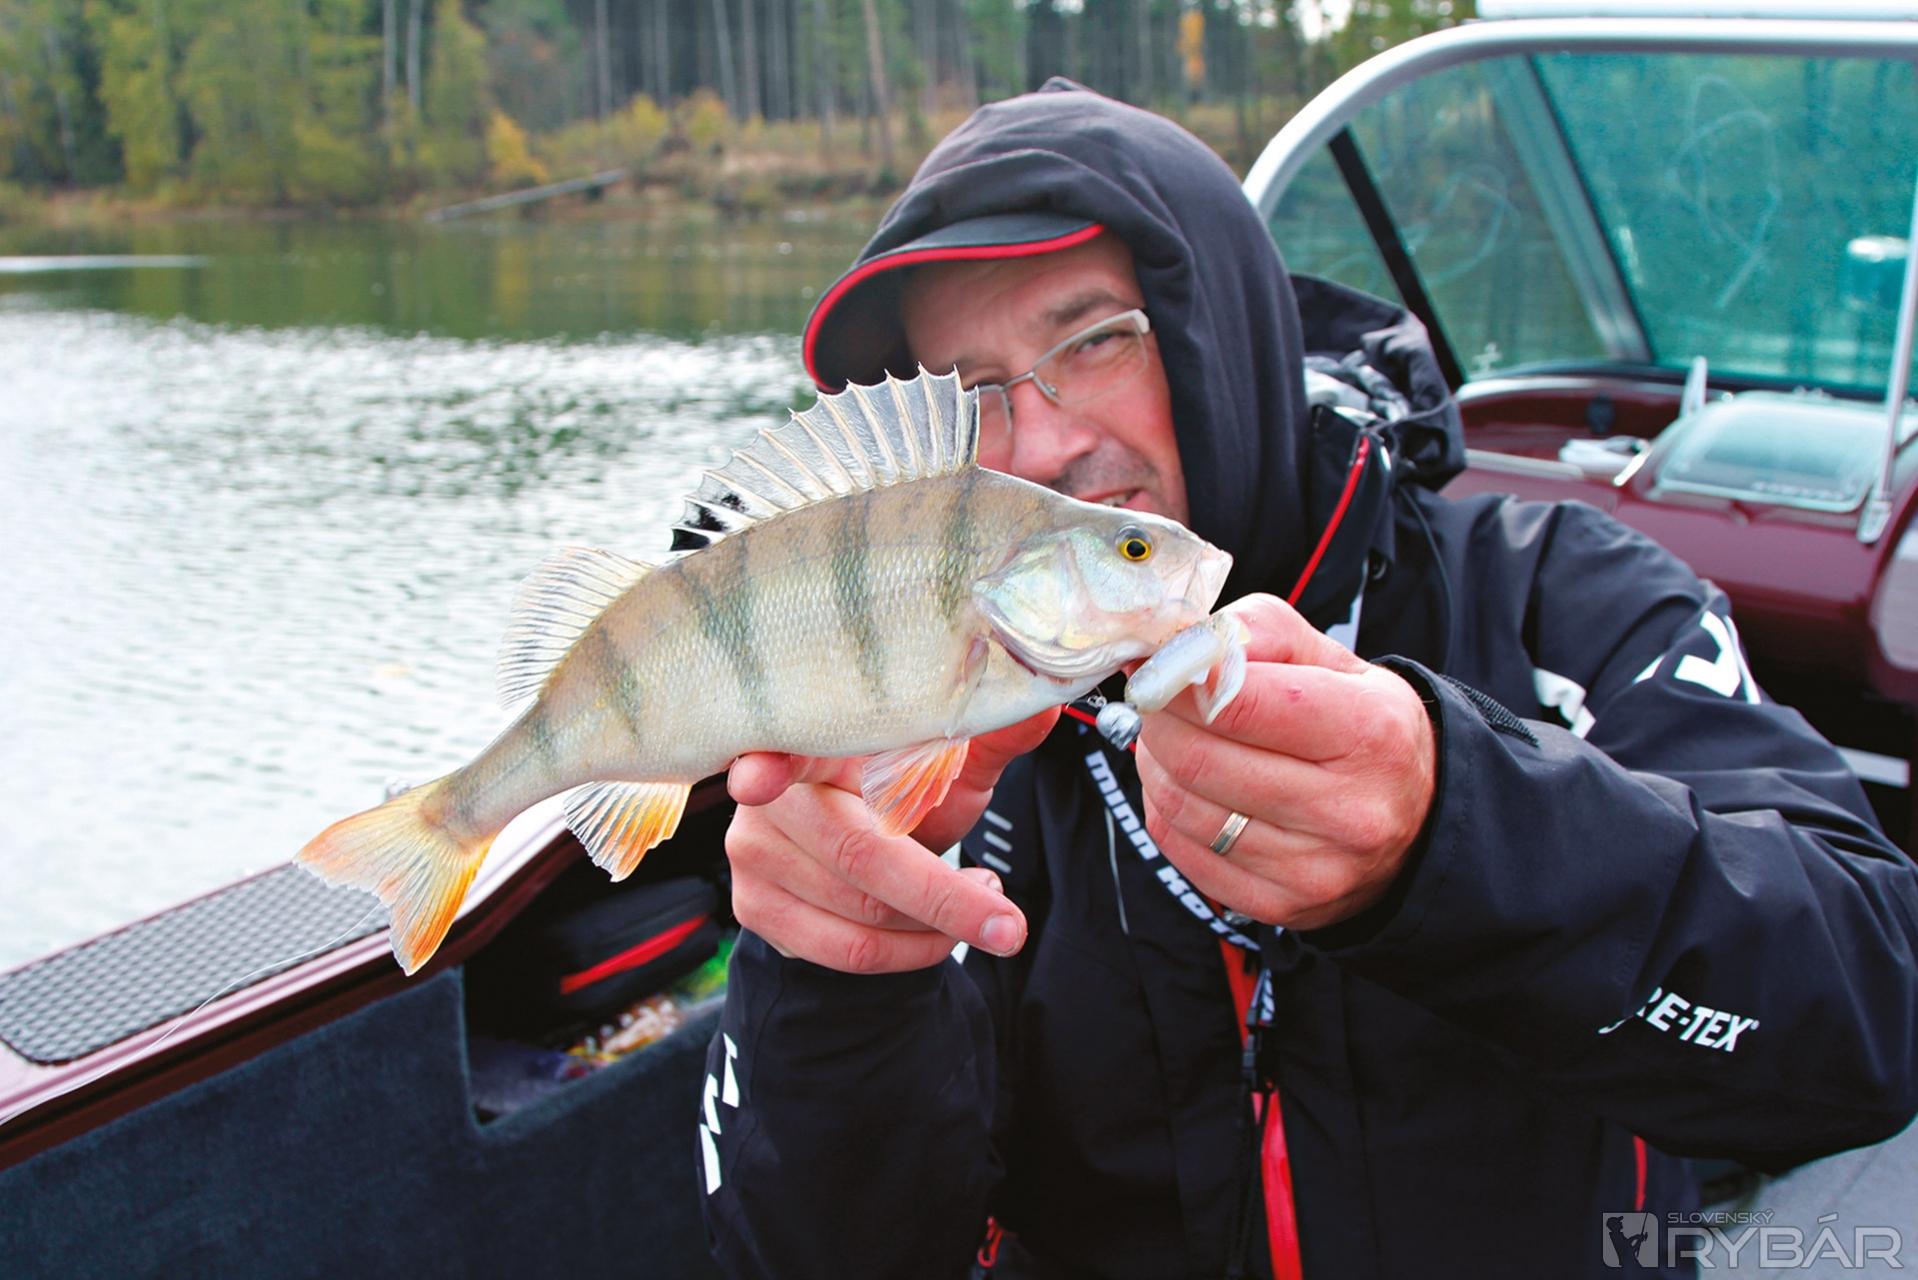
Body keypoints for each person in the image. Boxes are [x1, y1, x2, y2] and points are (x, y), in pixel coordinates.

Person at [696, 81, 1918, 1279]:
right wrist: (829, 969)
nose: (1047, 442)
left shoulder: (1557, 595)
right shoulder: (933, 736)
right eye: (971, 394)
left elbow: (1871, 1012)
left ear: (1217, 329)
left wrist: (1453, 827)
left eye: (1098, 338)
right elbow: (812, 1255)